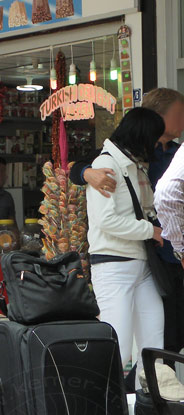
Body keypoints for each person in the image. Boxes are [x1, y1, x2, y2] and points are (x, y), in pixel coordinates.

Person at [70, 88, 184, 354]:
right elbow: (106, 216)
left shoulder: (144, 161)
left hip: (151, 258)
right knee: (120, 341)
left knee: (158, 335)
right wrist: (88, 173)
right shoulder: (112, 163)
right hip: (124, 258)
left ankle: (150, 390)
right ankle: (116, 393)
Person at [87, 107, 165, 387]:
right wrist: (151, 230)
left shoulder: (132, 164)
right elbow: (105, 220)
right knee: (117, 348)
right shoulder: (106, 166)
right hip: (113, 266)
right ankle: (106, 414)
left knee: (153, 344)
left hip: (139, 264)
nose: (157, 145)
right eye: (155, 138)